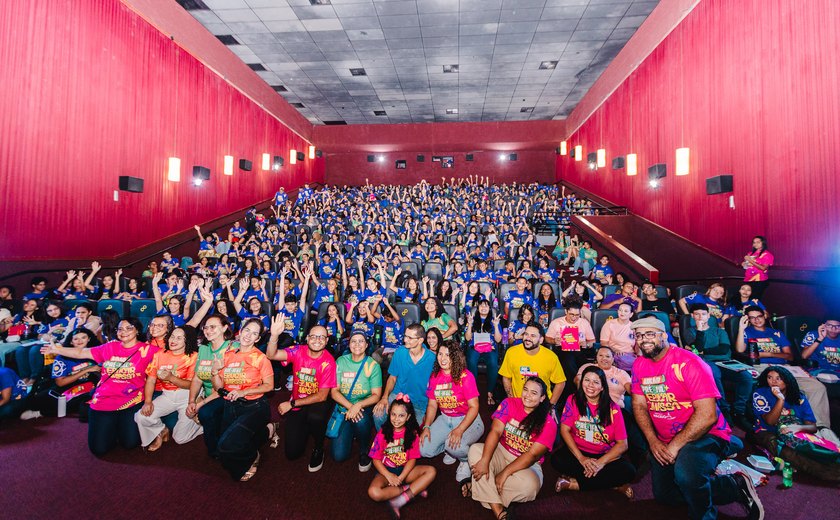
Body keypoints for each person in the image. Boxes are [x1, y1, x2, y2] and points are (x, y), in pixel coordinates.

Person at [630, 316, 763, 520]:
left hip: (705, 434)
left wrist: (675, 446)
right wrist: (653, 441)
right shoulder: (639, 364)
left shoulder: (689, 362)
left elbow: (707, 415)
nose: (643, 339)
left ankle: (705, 515)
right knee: (666, 496)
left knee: (687, 477)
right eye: (639, 335)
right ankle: (733, 486)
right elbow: (639, 405)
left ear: (664, 336)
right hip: (665, 438)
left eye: (650, 334)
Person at [41, 317, 160, 456]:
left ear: (137, 330)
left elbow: (170, 356)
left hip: (131, 401)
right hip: (104, 399)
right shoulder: (109, 347)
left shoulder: (149, 350)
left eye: (129, 328)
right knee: (99, 449)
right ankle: (111, 427)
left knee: (130, 444)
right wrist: (57, 349)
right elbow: (80, 352)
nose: (124, 332)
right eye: (120, 329)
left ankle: (117, 428)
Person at [468, 377, 557, 519]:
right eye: (525, 390)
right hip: (501, 451)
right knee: (475, 451)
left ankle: (482, 488)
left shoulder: (549, 423)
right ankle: (498, 510)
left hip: (527, 464)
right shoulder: (509, 403)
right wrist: (485, 460)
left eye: (534, 393)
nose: (527, 395)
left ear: (542, 398)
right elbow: (496, 431)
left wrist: (504, 474)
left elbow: (532, 455)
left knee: (531, 487)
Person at [735, 306, 831, 428]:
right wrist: (741, 328)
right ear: (748, 319)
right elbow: (739, 350)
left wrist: (767, 354)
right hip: (763, 367)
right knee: (781, 385)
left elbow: (790, 356)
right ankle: (780, 423)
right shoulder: (747, 331)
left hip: (785, 366)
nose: (756, 320)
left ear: (764, 316)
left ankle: (821, 428)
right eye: (752, 318)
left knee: (818, 387)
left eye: (759, 316)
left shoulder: (777, 333)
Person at [553, 366, 635, 497]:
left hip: (604, 455)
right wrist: (582, 459)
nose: (590, 385)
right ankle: (614, 484)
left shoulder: (612, 408)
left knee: (629, 471)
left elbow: (622, 444)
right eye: (587, 380)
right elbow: (564, 430)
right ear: (581, 382)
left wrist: (599, 463)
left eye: (596, 382)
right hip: (579, 451)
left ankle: (574, 484)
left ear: (602, 387)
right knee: (557, 460)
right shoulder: (572, 400)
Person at [210, 318, 276, 481]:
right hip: (230, 405)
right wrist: (214, 372)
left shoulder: (260, 358)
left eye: (254, 334)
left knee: (227, 445)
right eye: (247, 330)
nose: (248, 335)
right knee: (224, 449)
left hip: (254, 406)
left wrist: (244, 392)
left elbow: (269, 386)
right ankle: (269, 430)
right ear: (241, 330)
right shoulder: (228, 354)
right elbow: (219, 387)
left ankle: (252, 457)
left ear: (258, 339)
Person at [267, 321, 336, 472]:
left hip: (318, 401)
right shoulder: (298, 350)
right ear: (307, 338)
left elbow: (322, 396)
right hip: (299, 400)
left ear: (326, 341)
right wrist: (274, 336)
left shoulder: (329, 361)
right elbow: (271, 354)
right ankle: (304, 426)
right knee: (292, 454)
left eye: (322, 337)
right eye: (314, 336)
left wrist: (291, 404)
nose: (317, 340)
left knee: (316, 417)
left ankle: (318, 447)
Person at [751, 366, 840, 480]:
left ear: (787, 381)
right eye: (770, 377)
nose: (773, 381)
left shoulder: (799, 398)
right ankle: (832, 474)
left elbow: (812, 428)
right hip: (766, 431)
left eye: (779, 378)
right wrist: (780, 400)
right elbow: (770, 421)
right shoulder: (760, 393)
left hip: (794, 433)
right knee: (790, 454)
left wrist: (797, 428)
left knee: (815, 449)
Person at [419, 341, 484, 491]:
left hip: (469, 420)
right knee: (424, 449)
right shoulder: (435, 376)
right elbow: (432, 405)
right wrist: (427, 426)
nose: (443, 358)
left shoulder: (466, 376)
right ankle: (450, 448)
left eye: (448, 355)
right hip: (445, 418)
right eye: (440, 354)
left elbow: (474, 407)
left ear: (455, 357)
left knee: (453, 445)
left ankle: (465, 459)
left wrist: (460, 430)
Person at [682, 304, 753, 430]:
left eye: (703, 314)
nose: (700, 317)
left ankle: (739, 411)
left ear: (708, 316)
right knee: (714, 374)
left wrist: (704, 351)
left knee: (746, 376)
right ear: (692, 316)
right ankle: (724, 410)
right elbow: (697, 348)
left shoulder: (720, 331)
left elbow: (723, 348)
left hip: (725, 362)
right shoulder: (690, 331)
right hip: (704, 363)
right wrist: (699, 331)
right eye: (697, 314)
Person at [368, 395, 437, 519]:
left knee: (431, 471)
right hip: (386, 472)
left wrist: (401, 477)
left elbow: (412, 459)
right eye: (393, 414)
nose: (396, 419)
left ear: (408, 417)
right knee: (374, 492)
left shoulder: (412, 434)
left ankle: (402, 497)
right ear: (389, 414)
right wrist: (389, 476)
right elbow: (375, 459)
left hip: (406, 471)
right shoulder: (383, 433)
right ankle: (413, 489)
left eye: (401, 415)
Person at [135, 325, 202, 451]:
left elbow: (192, 385)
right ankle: (160, 430)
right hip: (168, 396)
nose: (173, 340)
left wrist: (171, 378)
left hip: (188, 397)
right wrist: (147, 402)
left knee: (180, 439)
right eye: (172, 336)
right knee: (141, 416)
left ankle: (203, 424)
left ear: (187, 341)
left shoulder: (193, 356)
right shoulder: (160, 354)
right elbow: (151, 380)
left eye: (179, 338)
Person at [330, 331, 382, 471]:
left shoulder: (372, 365)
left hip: (364, 407)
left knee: (360, 420)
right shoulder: (341, 361)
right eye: (353, 341)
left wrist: (358, 405)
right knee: (338, 456)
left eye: (361, 341)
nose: (357, 344)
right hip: (343, 406)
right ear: (349, 344)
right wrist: (350, 406)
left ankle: (364, 450)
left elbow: (376, 395)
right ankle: (352, 431)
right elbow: (334, 391)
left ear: (366, 345)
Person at [186, 314, 235, 458]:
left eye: (212, 327)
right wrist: (192, 401)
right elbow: (197, 379)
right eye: (205, 327)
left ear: (225, 328)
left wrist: (201, 404)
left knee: (206, 412)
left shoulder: (232, 348)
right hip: (210, 396)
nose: (208, 330)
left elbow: (225, 387)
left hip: (228, 396)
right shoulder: (203, 349)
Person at [374, 323, 436, 429]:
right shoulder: (400, 352)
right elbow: (392, 378)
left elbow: (434, 389)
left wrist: (428, 415)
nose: (405, 340)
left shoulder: (432, 359)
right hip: (397, 396)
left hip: (418, 403)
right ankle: (385, 440)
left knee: (410, 430)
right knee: (378, 415)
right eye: (405, 336)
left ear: (420, 340)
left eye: (410, 338)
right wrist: (384, 397)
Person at [498, 324, 566, 407]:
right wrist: (512, 400)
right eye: (526, 334)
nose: (528, 338)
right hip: (518, 403)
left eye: (533, 336)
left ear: (541, 340)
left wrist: (551, 405)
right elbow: (506, 377)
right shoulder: (511, 352)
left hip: (541, 404)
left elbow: (560, 382)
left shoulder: (551, 357)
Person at [545, 299, 596, 389]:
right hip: (562, 349)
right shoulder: (556, 322)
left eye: (577, 315)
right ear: (566, 311)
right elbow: (547, 338)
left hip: (580, 350)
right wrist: (555, 341)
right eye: (571, 314)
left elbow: (592, 341)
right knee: (568, 359)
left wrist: (586, 344)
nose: (574, 317)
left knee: (573, 359)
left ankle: (571, 387)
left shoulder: (584, 323)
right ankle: (576, 386)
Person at [464, 299, 502, 406]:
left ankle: (490, 392)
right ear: (478, 308)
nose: (483, 308)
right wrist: (470, 325)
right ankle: (474, 391)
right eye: (481, 306)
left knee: (493, 363)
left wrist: (495, 326)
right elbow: (467, 338)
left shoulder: (494, 320)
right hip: (474, 347)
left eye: (486, 306)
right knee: (471, 361)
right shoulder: (472, 319)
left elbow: (498, 340)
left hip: (490, 348)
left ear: (490, 308)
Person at [800, 317, 840, 382]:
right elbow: (804, 356)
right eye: (830, 325)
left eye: (838, 326)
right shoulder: (813, 335)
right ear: (823, 326)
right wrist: (820, 338)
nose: (833, 329)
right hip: (818, 371)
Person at [600, 302, 637, 371]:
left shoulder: (634, 327)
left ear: (631, 314)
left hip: (630, 355)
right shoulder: (609, 324)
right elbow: (604, 343)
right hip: (613, 354)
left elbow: (637, 345)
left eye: (626, 311)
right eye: (620, 310)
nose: (622, 312)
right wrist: (615, 350)